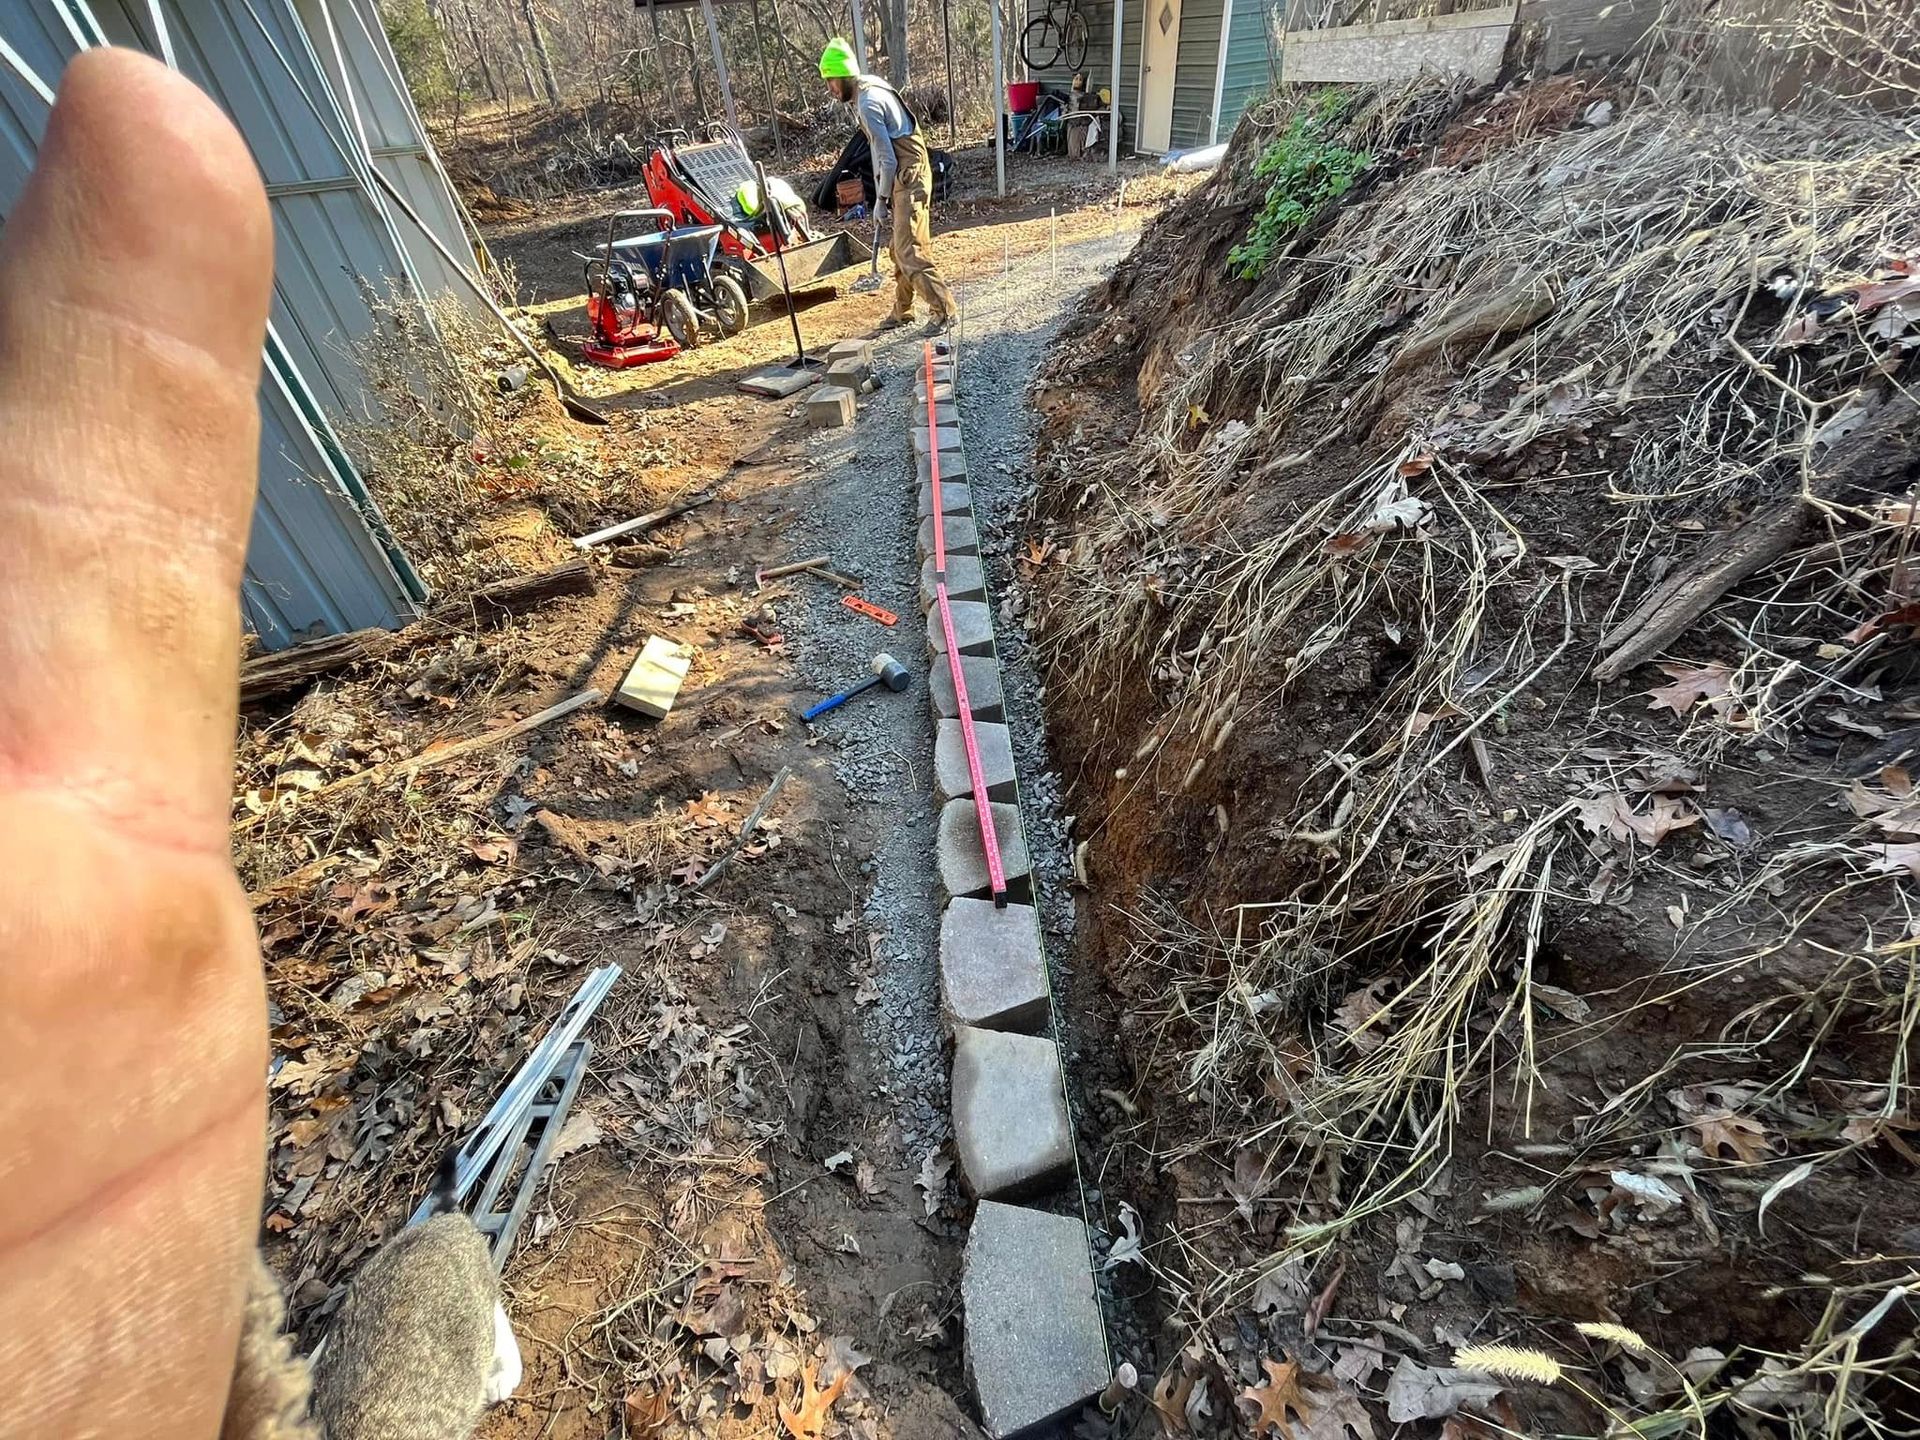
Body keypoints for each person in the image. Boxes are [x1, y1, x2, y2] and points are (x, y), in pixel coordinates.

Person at [818, 38, 956, 333]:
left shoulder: (867, 103)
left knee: (909, 251)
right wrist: (883, 190)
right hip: (905, 173)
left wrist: (881, 200)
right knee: (898, 248)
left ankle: (944, 311)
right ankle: (903, 311)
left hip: (909, 174)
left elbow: (888, 159)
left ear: (844, 75)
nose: (830, 88)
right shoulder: (869, 86)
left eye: (831, 81)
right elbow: (881, 153)